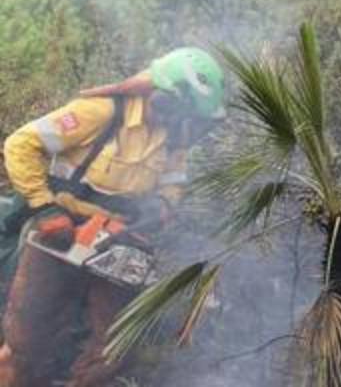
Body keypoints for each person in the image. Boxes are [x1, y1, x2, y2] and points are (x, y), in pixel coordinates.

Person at [0, 47, 225, 386]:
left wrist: (162, 207)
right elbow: (21, 144)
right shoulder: (100, 112)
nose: (186, 127)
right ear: (165, 98)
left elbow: (173, 182)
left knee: (113, 351)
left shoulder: (173, 138)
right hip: (62, 231)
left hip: (119, 240)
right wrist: (45, 206)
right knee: (26, 345)